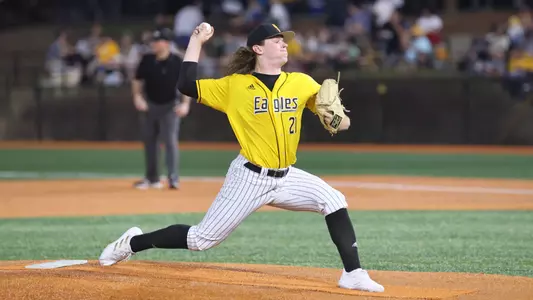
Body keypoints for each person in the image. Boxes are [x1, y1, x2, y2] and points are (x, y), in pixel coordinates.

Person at [99, 23, 384, 293]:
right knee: (200, 240)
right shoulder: (235, 86)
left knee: (333, 200)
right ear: (258, 49)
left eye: (284, 40)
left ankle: (353, 274)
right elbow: (186, 85)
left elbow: (340, 124)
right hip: (249, 177)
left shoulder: (301, 83)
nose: (284, 44)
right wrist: (196, 41)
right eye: (276, 40)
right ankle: (132, 243)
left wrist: (337, 117)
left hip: (286, 176)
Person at [131, 28, 191, 190]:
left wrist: (185, 104)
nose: (154, 44)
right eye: (154, 41)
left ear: (166, 43)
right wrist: (138, 97)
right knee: (150, 142)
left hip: (170, 106)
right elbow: (137, 80)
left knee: (170, 141)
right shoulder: (147, 60)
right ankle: (152, 178)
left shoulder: (177, 62)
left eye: (158, 41)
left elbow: (186, 84)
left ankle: (173, 178)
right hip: (150, 105)